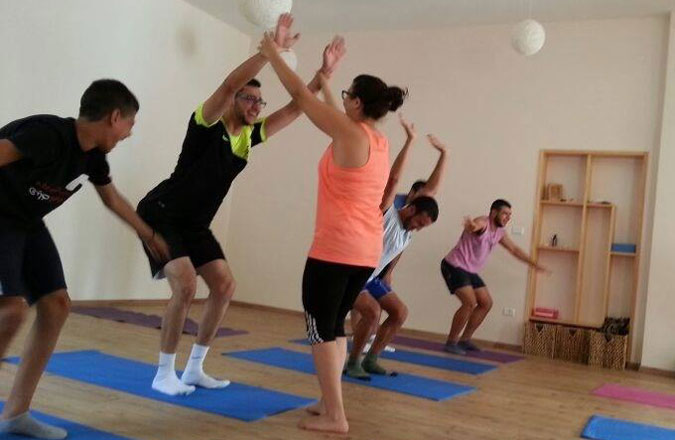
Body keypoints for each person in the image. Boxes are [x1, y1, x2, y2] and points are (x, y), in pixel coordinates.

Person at [136, 14, 346, 396]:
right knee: (184, 286)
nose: (255, 104)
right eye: (248, 98)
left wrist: (323, 74)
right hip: (161, 213)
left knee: (224, 286)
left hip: (195, 224)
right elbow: (230, 82)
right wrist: (271, 52)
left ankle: (195, 368)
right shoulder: (206, 121)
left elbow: (297, 108)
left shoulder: (249, 137)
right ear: (233, 101)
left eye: (259, 100)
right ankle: (163, 372)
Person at [0, 79, 170, 440]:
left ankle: (16, 413)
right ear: (114, 117)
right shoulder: (47, 134)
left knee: (57, 304)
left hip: (27, 223)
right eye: (130, 124)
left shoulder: (93, 157)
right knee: (11, 310)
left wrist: (148, 234)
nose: (129, 133)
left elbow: (112, 199)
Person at [259, 31, 406, 433]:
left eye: (346, 94)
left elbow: (303, 102)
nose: (341, 100)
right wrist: (326, 76)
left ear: (357, 102)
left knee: (320, 328)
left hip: (334, 249)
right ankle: (329, 400)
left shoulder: (350, 133)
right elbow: (330, 114)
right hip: (364, 252)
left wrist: (273, 54)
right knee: (335, 324)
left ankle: (336, 415)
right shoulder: (376, 139)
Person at [345, 117, 447, 379]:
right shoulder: (387, 211)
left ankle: (371, 359)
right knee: (372, 312)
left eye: (423, 227)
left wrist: (445, 154)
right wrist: (410, 141)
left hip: (371, 277)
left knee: (400, 312)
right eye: (419, 223)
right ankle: (353, 361)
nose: (418, 229)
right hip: (352, 274)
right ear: (410, 207)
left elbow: (432, 190)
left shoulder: (412, 225)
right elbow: (394, 178)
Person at [441, 199, 549, 355]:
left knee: (486, 303)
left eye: (509, 215)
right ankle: (451, 342)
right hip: (453, 265)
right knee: (469, 303)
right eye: (505, 213)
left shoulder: (499, 233)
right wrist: (471, 226)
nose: (507, 217)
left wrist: (534, 264)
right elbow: (476, 225)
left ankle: (465, 340)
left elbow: (515, 250)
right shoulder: (483, 222)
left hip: (469, 270)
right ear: (493, 213)